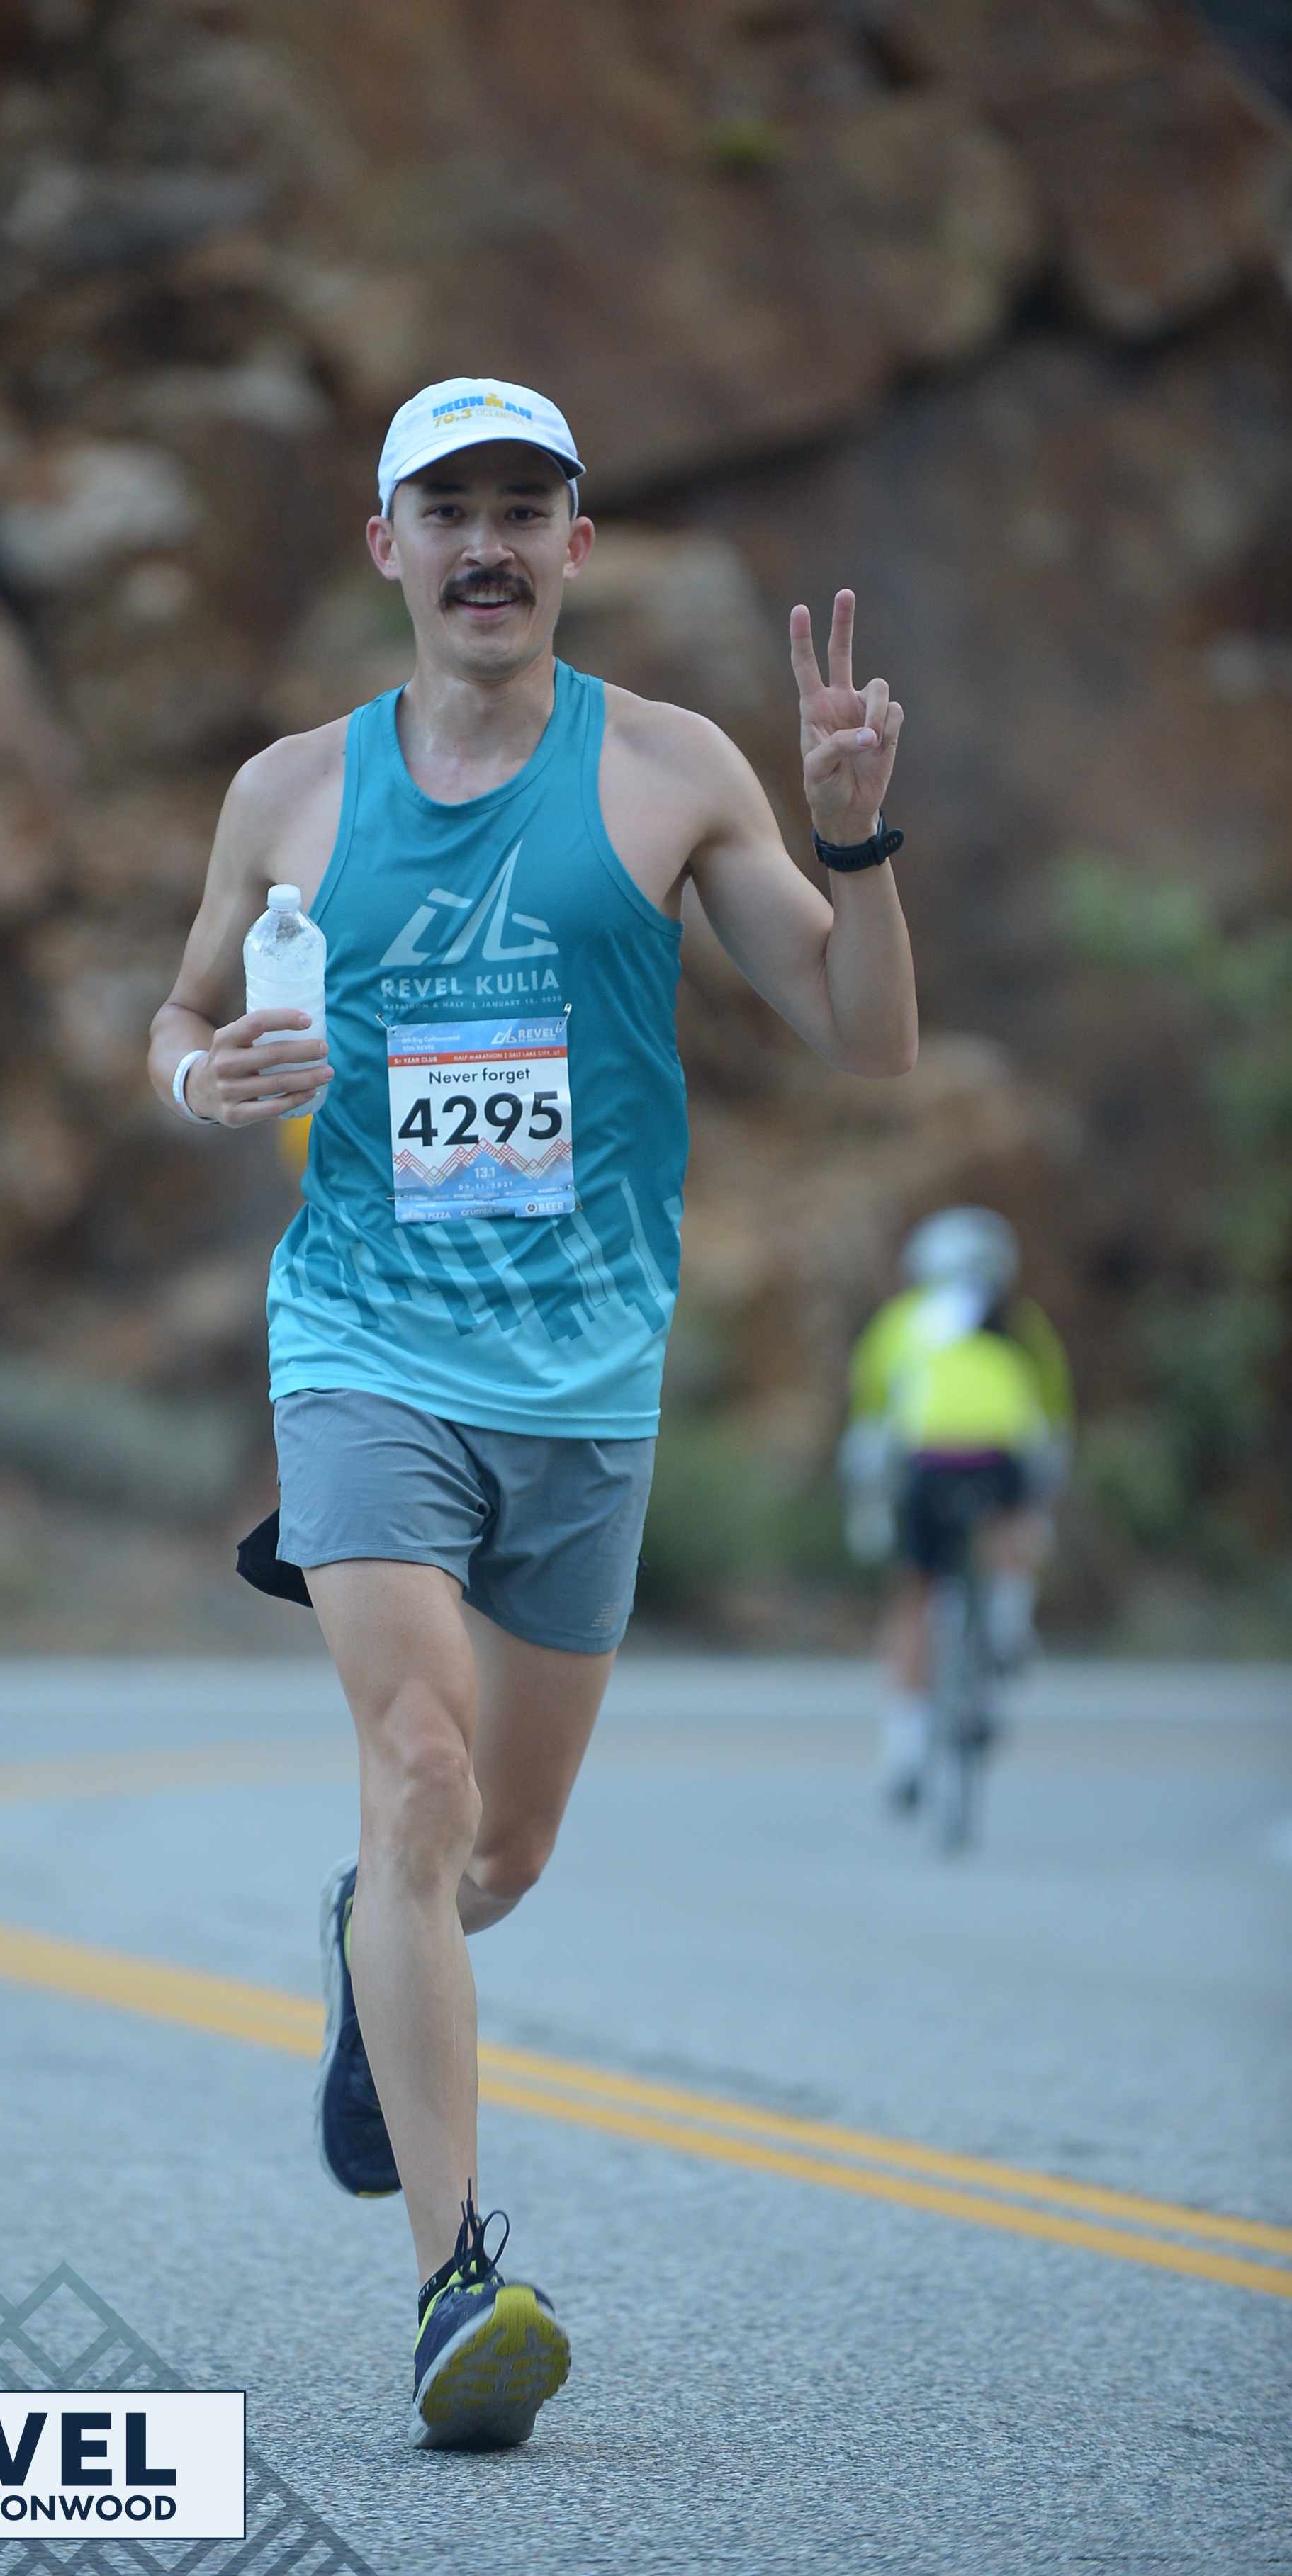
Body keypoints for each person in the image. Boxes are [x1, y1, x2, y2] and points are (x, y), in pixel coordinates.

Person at [149, 377, 917, 2448]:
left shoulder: (667, 768)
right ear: (382, 546)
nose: (481, 546)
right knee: (413, 1768)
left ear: (573, 545)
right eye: (444, 510)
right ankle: (450, 2286)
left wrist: (849, 829)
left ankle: (366, 1937)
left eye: (519, 509)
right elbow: (185, 1003)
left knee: (492, 1849)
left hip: (585, 1374)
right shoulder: (288, 791)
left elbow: (864, 1040)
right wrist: (194, 1077)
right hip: (359, 1344)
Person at [840, 1207, 1073, 1807]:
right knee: (1014, 1521)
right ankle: (1009, 1618)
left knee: (914, 1593)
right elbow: (1052, 1421)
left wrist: (868, 1509)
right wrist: (1044, 1507)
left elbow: (870, 1427)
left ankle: (903, 1747)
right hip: (1000, 1457)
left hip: (929, 1460)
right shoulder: (1021, 1322)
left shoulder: (901, 1320)